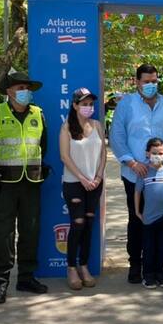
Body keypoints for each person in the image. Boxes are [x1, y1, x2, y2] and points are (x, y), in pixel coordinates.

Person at [0, 72, 50, 304]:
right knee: (2, 235)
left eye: (27, 88)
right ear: (9, 91)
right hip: (2, 185)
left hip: (31, 182)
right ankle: (0, 282)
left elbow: (43, 146)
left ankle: (26, 277)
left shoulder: (38, 114)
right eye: (20, 87)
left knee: (30, 232)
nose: (25, 91)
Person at [109, 64, 163, 284]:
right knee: (137, 218)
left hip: (160, 175)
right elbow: (117, 136)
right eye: (146, 81)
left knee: (160, 219)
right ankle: (136, 264)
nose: (151, 85)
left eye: (154, 81)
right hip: (135, 173)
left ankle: (156, 266)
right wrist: (131, 162)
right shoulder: (126, 105)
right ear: (137, 81)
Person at [59, 87, 106, 290]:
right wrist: (82, 178)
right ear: (75, 105)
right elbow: (64, 157)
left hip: (95, 183)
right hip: (74, 183)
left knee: (88, 224)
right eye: (84, 104)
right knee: (77, 224)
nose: (88, 107)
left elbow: (103, 153)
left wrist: (97, 176)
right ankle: (71, 267)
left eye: (90, 104)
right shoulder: (67, 127)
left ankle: (84, 266)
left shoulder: (97, 125)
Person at [135, 138, 163, 288]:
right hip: (148, 219)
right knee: (149, 248)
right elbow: (137, 192)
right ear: (147, 153)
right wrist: (138, 211)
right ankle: (148, 274)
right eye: (154, 153)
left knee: (161, 247)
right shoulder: (144, 172)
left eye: (161, 153)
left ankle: (160, 272)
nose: (157, 155)